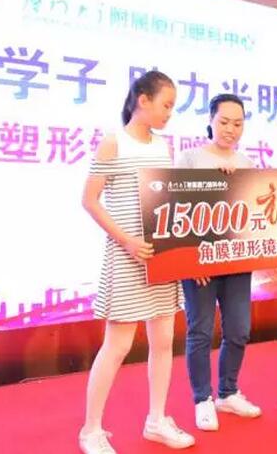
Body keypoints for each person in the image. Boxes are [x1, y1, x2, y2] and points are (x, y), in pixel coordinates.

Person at [79, 71, 195, 453]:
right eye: (166, 105)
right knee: (117, 346)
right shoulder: (113, 142)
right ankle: (91, 430)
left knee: (163, 341)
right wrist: (126, 240)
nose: (169, 113)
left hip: (161, 259)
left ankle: (156, 420)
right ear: (142, 100)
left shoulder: (163, 146)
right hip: (126, 257)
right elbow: (90, 200)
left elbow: (166, 202)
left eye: (172, 107)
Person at [175, 94, 262, 432]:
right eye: (224, 122)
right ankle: (202, 399)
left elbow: (255, 214)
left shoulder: (247, 163)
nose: (230, 129)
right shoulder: (190, 158)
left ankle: (228, 392)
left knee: (239, 329)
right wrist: (189, 260)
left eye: (238, 123)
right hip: (199, 264)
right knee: (200, 331)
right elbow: (175, 210)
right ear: (210, 121)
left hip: (237, 260)